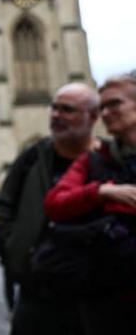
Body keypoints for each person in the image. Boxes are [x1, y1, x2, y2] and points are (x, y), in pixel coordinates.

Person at [0, 83, 100, 335]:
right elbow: (3, 206)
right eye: (54, 108)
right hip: (40, 286)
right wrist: (15, 251)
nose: (56, 115)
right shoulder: (33, 157)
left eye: (67, 109)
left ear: (92, 117)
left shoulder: (109, 159)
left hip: (95, 289)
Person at [44, 73, 136, 332]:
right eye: (102, 107)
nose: (105, 113)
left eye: (114, 104)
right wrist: (101, 192)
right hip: (111, 296)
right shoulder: (94, 160)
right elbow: (54, 203)